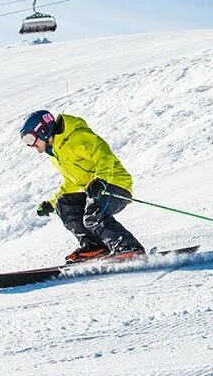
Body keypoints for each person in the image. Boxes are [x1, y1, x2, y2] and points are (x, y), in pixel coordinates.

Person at [20, 110, 145, 263]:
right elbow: (72, 182)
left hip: (115, 185)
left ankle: (129, 247)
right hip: (97, 190)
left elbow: (102, 152)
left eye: (30, 138)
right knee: (64, 204)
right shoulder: (57, 153)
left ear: (43, 131)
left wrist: (101, 179)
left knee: (93, 215)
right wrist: (51, 204)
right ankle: (95, 246)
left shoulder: (75, 137)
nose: (30, 145)